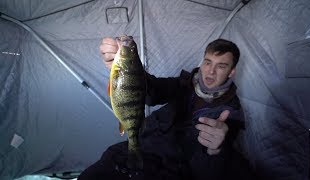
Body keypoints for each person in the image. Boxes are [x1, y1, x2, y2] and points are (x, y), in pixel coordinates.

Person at [79, 37, 252, 180]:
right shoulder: (185, 84)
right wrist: (126, 70)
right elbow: (152, 91)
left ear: (231, 72)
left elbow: (209, 173)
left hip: (169, 170)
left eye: (221, 66)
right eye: (208, 62)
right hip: (142, 145)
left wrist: (216, 150)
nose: (211, 71)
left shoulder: (230, 115)